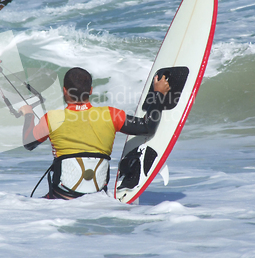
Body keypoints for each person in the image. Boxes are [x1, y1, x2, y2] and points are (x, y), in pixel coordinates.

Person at [18, 67, 171, 200]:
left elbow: (29, 142)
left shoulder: (51, 118)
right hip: (97, 197)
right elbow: (147, 126)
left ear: (64, 90)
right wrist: (158, 94)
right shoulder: (110, 115)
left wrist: (29, 114)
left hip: (61, 198)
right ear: (91, 91)